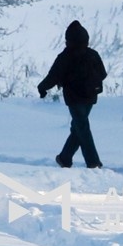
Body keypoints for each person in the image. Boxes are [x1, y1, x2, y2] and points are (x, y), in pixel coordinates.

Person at [37, 20, 107, 169]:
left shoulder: (65, 57)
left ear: (69, 40)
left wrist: (42, 87)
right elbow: (103, 73)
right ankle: (64, 158)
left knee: (81, 128)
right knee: (79, 128)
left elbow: (53, 76)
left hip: (74, 98)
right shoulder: (93, 54)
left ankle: (93, 163)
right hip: (90, 97)